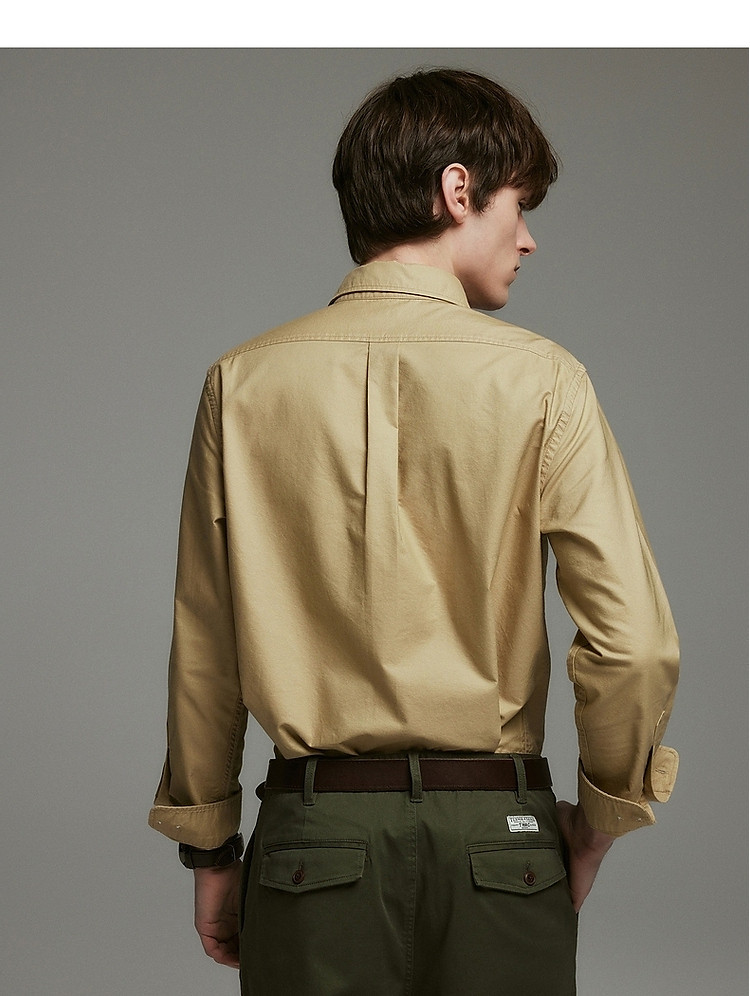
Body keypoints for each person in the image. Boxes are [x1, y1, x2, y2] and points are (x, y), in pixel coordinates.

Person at [149, 68, 679, 994]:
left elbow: (208, 643)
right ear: (458, 189)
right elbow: (632, 647)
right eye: (520, 205)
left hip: (312, 844)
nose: (529, 237)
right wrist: (598, 826)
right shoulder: (546, 381)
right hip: (502, 844)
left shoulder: (241, 382)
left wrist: (211, 849)